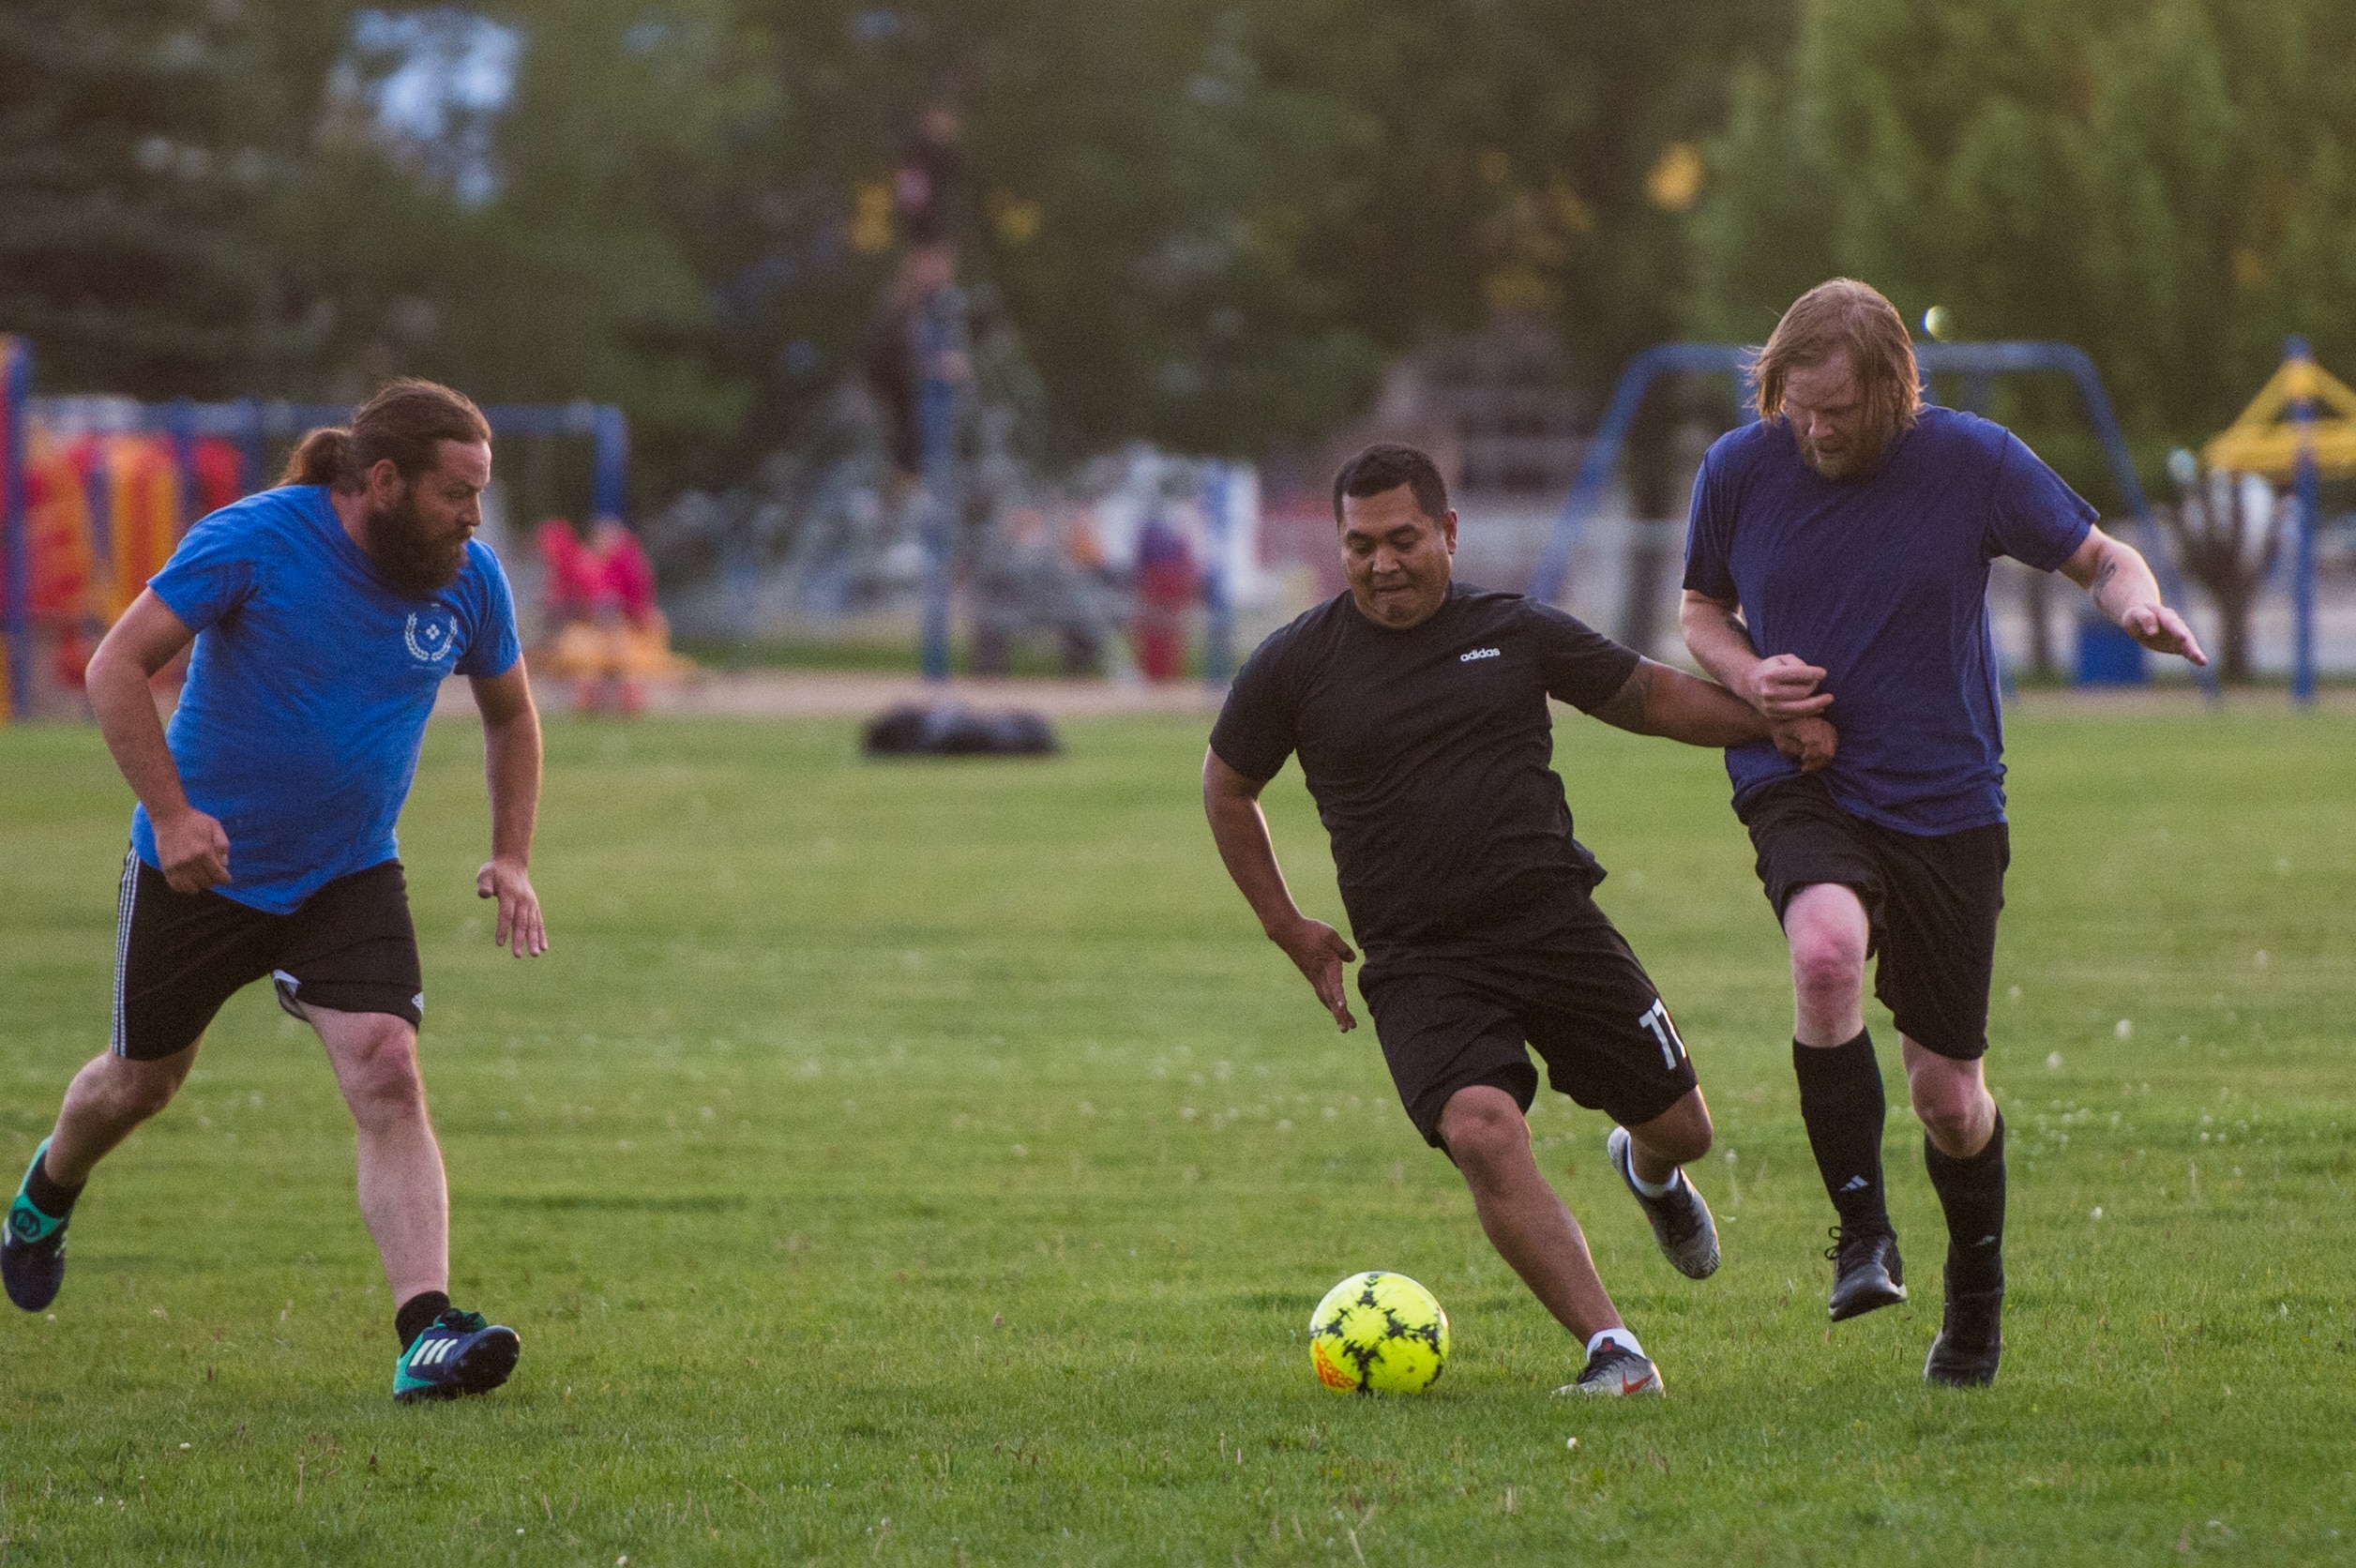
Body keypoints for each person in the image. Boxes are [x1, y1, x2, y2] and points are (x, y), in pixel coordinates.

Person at [1204, 443, 1835, 1397]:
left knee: (1684, 1129)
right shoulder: (1296, 663)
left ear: (1448, 532)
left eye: (1403, 539)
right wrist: (1285, 923)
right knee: (1481, 1130)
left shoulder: (1512, 629)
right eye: (1360, 545)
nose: (1382, 563)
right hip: (1420, 960)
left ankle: (1650, 1171)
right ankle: (1614, 1351)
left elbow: (1649, 696)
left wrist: (1770, 723)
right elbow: (1226, 788)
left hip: (1553, 927)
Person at [1679, 279, 2207, 1387]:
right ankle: (1862, 1236)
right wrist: (1750, 678)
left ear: (1893, 390)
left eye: (1836, 410)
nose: (1814, 431)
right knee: (1824, 953)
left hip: (1946, 798)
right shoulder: (1737, 468)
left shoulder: (1971, 460)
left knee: (1948, 1098)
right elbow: (1701, 612)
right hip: (1802, 775)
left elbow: (2103, 558)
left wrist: (2137, 607)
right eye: (1796, 408)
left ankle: (1975, 1303)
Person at [2, 379, 551, 1405]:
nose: (474, 517)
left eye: (480, 493)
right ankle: (46, 1191)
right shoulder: (253, 540)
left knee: (388, 1067)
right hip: (200, 871)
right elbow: (116, 668)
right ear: (383, 482)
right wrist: (172, 817)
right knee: (139, 1085)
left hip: (347, 870)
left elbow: (512, 716)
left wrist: (510, 855)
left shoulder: (469, 582)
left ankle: (425, 1334)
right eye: (456, 492)